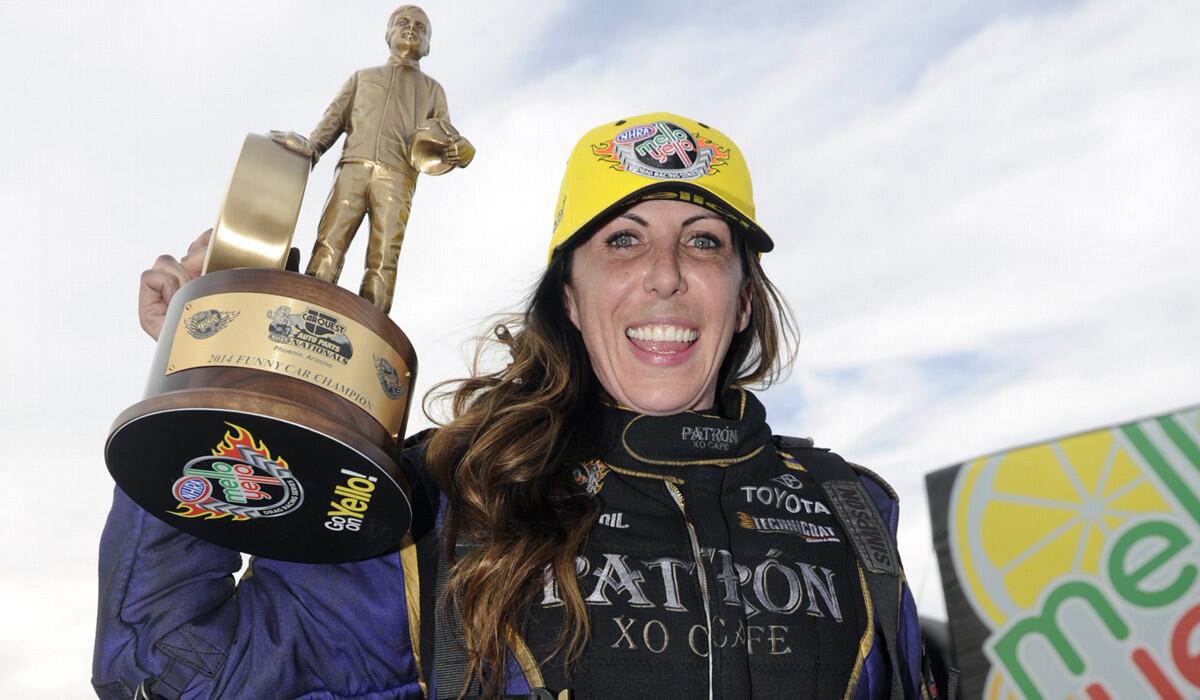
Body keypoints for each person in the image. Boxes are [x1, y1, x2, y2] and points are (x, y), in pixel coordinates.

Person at [98, 113, 938, 699]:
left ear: (744, 300)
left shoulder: (850, 509)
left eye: (705, 241)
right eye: (623, 239)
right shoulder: (452, 500)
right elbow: (176, 671)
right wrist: (203, 383)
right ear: (569, 300)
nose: (666, 274)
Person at [270, 4, 475, 313]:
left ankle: (371, 328)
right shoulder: (362, 78)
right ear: (387, 34)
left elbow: (449, 138)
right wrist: (312, 147)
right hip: (353, 168)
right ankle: (307, 310)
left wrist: (463, 150)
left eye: (421, 28)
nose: (411, 29)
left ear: (429, 45)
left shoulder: (434, 91)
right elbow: (335, 118)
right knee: (329, 243)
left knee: (383, 259)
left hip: (398, 179)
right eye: (403, 23)